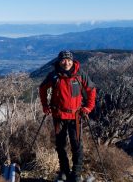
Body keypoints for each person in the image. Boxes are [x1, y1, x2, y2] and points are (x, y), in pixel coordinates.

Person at [39, 50, 96, 182]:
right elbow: (42, 88)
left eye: (69, 60)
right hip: (58, 115)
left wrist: (88, 107)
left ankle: (76, 174)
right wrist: (45, 106)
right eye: (63, 60)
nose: (66, 63)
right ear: (59, 61)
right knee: (60, 145)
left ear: (72, 61)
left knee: (77, 145)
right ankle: (64, 172)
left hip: (75, 116)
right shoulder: (54, 76)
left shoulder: (80, 74)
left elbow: (91, 90)